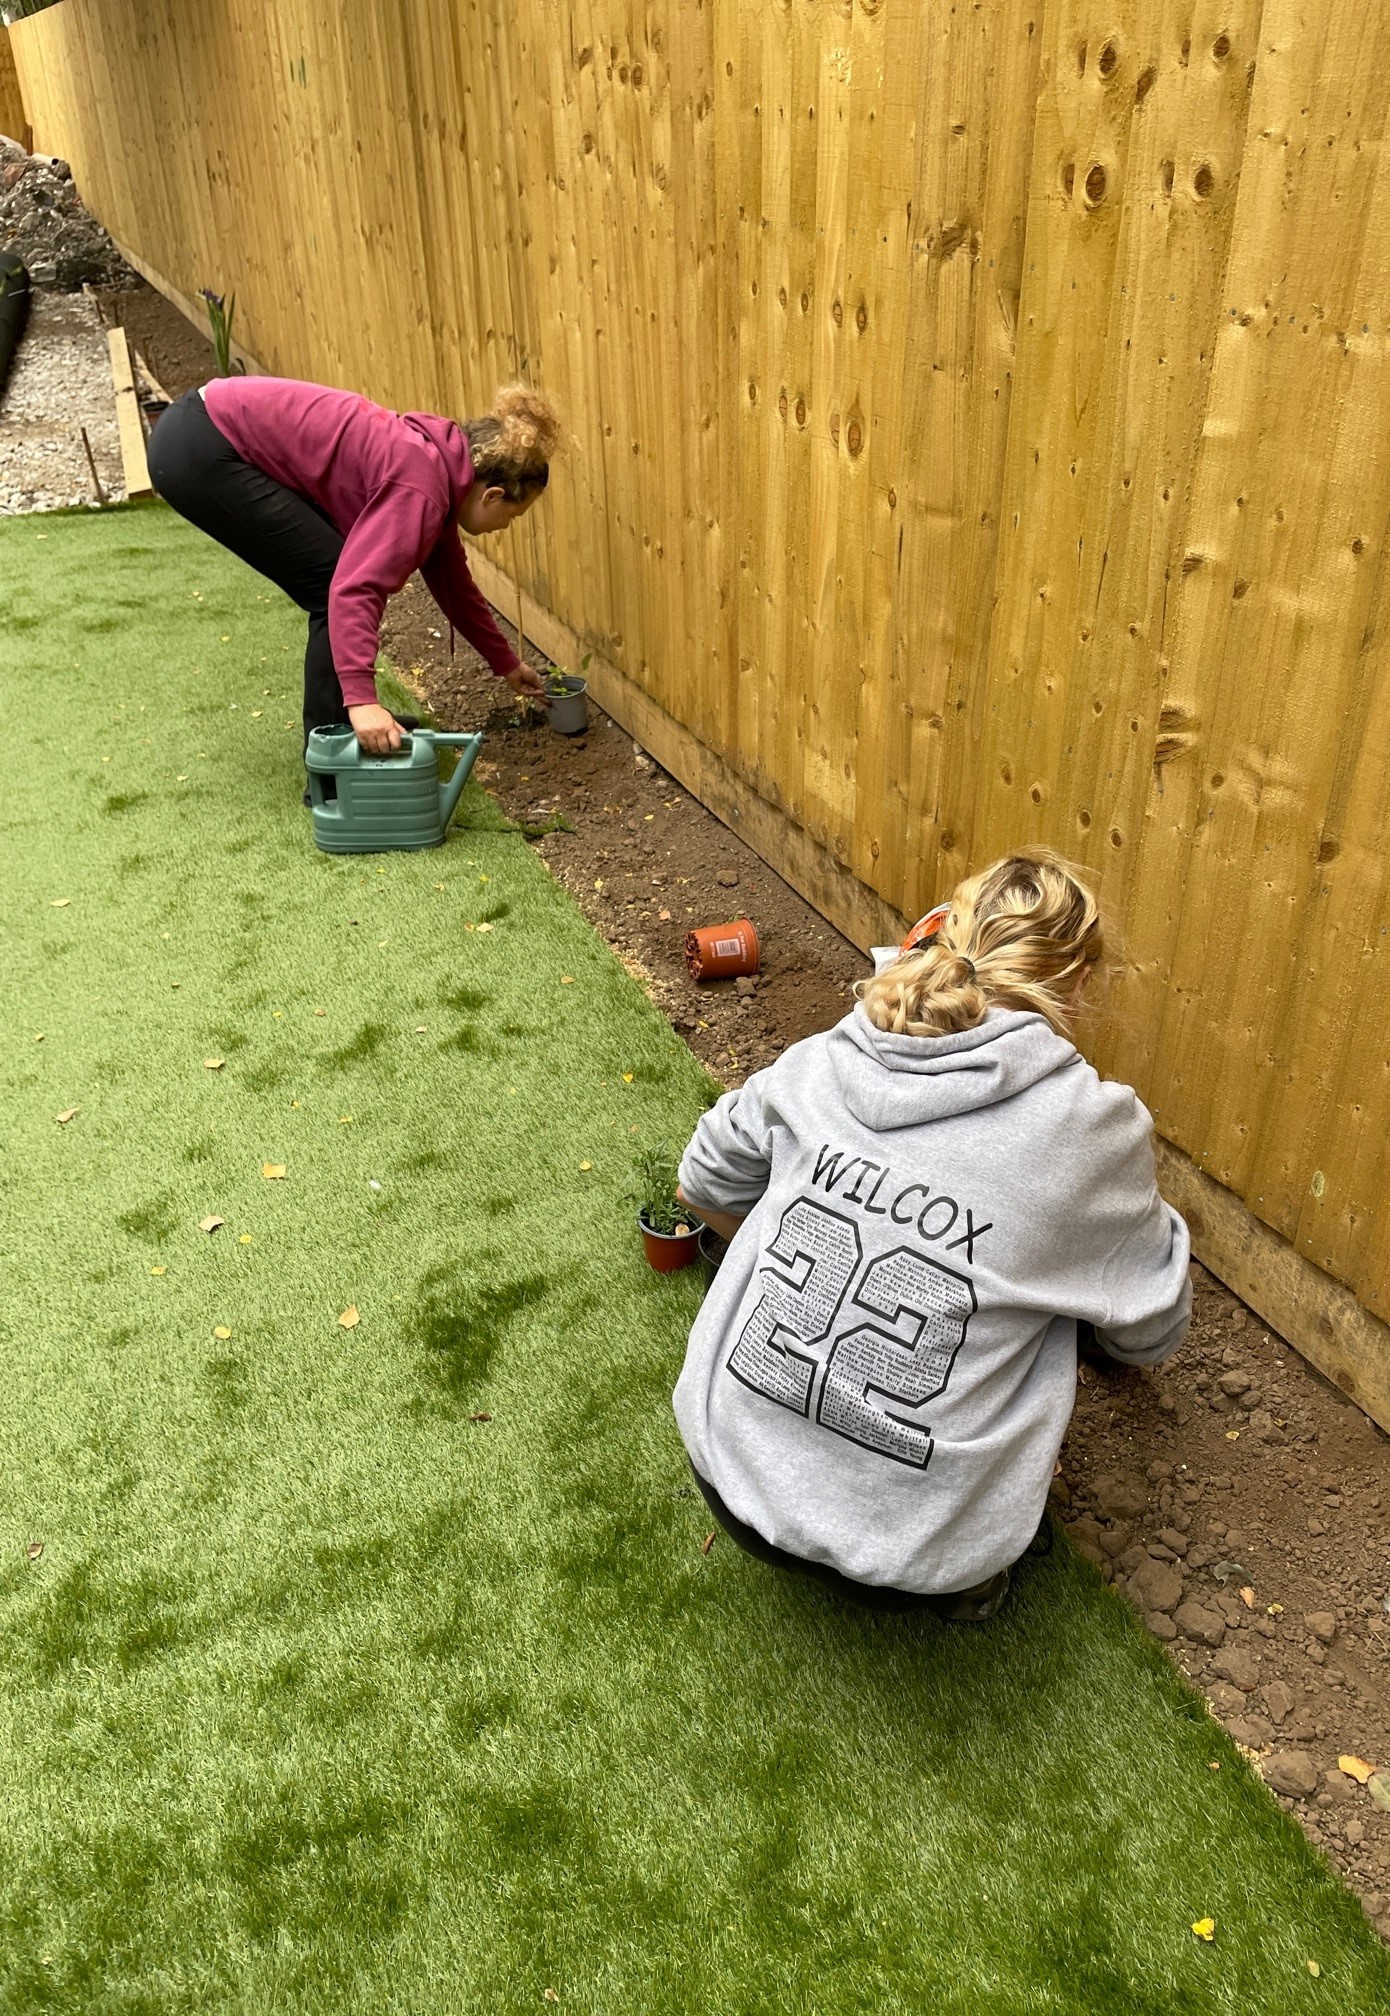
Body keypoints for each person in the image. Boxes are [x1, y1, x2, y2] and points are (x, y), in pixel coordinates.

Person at [673, 849, 1191, 1623]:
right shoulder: (1092, 1129)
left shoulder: (831, 1053)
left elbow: (702, 1186)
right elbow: (1151, 1334)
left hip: (726, 1479)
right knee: (1061, 1305)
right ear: (1078, 984)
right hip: (923, 1555)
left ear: (942, 938)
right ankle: (971, 1589)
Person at [147, 378, 557, 768]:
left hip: (201, 430)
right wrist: (363, 700)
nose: (508, 526)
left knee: (331, 570)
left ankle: (341, 725)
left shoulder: (440, 467)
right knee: (331, 580)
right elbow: (354, 588)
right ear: (493, 495)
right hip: (203, 447)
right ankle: (334, 753)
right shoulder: (421, 486)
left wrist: (504, 662)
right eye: (514, 515)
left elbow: (452, 581)